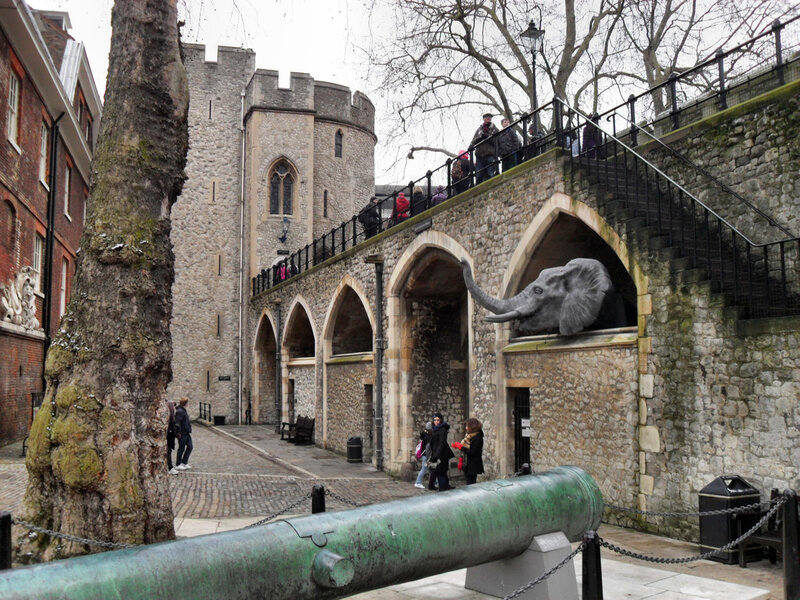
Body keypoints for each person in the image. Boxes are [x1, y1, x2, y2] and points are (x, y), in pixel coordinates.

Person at [452, 417, 485, 485]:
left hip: (473, 465)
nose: (466, 428)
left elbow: (473, 452)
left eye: (467, 426)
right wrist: (459, 446)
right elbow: (466, 449)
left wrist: (462, 448)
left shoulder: (478, 438)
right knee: (468, 482)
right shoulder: (469, 436)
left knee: (471, 484)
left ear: (472, 427)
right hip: (468, 464)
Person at [427, 412, 454, 491]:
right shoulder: (435, 429)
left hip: (441, 454)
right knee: (436, 470)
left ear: (441, 420)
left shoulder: (442, 430)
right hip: (435, 453)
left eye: (438, 420)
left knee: (440, 471)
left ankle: (443, 487)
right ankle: (441, 486)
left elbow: (442, 443)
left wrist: (437, 455)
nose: (436, 422)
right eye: (435, 420)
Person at [470, 113, 499, 184]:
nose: (488, 118)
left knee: (491, 174)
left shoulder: (494, 129)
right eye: (486, 117)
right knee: (479, 175)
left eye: (489, 117)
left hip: (490, 154)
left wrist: (487, 137)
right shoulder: (479, 130)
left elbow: (497, 142)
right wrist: (478, 139)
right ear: (484, 119)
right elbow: (473, 141)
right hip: (479, 155)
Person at [175, 396, 193, 471]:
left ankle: (184, 462)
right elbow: (177, 423)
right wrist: (178, 433)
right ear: (185, 403)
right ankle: (178, 464)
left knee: (190, 446)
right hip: (182, 433)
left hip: (187, 432)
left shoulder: (183, 411)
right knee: (181, 448)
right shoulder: (180, 411)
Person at [414, 422, 433, 489]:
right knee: (424, 469)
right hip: (426, 456)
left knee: (431, 469)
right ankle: (418, 482)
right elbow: (428, 447)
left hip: (425, 455)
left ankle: (434, 482)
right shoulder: (427, 437)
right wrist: (429, 457)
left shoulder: (424, 435)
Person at [166, 398, 178, 474]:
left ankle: (169, 467)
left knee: (169, 451)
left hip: (170, 436)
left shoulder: (172, 417)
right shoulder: (169, 417)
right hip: (168, 436)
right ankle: (170, 467)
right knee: (168, 451)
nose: (174, 407)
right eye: (173, 406)